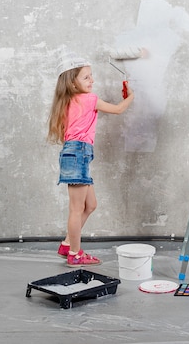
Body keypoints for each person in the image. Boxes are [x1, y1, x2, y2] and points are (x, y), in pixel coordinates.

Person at [47, 49, 134, 267]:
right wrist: (131, 96)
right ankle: (75, 254)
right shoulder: (88, 99)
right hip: (78, 154)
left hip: (78, 155)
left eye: (91, 75)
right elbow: (118, 109)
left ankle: (68, 244)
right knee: (76, 209)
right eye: (86, 77)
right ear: (72, 83)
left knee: (90, 205)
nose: (92, 80)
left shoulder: (68, 101)